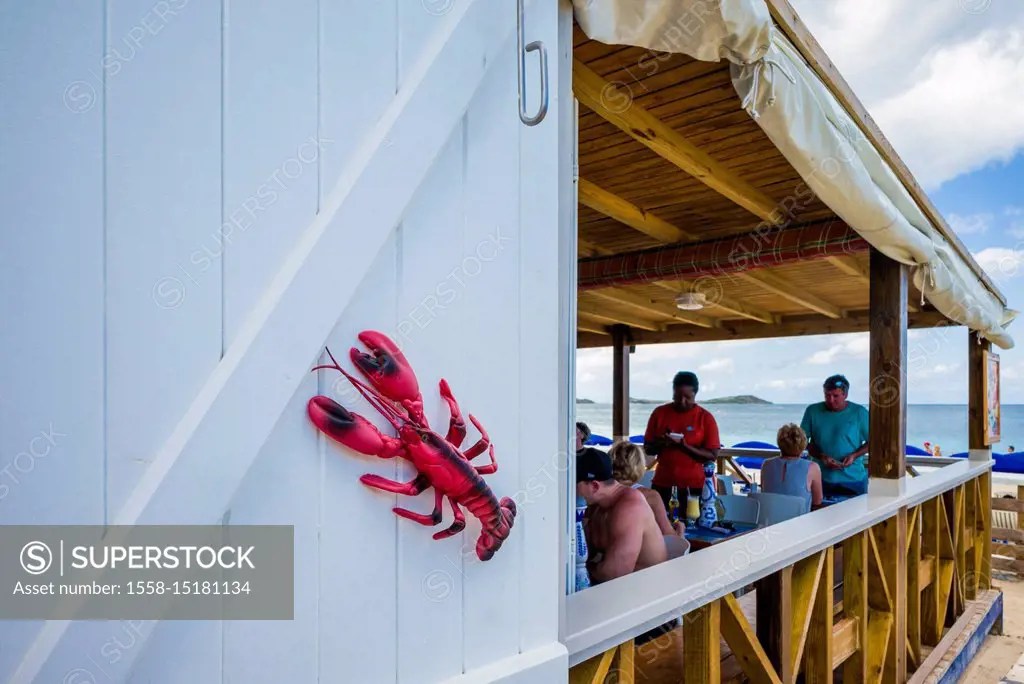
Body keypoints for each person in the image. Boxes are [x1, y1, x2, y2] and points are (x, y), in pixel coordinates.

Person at [577, 448, 667, 584]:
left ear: (594, 486)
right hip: (619, 589)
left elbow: (614, 574)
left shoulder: (630, 507)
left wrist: (581, 570)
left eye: (575, 484)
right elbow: (584, 553)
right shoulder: (595, 506)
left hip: (646, 592)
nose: (571, 490)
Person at [643, 371, 722, 512]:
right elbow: (648, 448)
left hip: (695, 486)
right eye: (677, 396)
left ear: (695, 395)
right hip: (663, 483)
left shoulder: (705, 418)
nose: (682, 401)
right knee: (660, 528)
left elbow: (712, 455)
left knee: (693, 526)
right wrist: (664, 443)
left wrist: (684, 446)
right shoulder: (659, 413)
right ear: (673, 392)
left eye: (687, 397)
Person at [801, 374, 869, 497]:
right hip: (820, 479)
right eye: (827, 395)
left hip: (853, 480)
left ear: (845, 395)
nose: (831, 400)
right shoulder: (812, 411)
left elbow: (874, 442)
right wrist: (822, 456)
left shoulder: (859, 413)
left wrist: (854, 455)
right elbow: (802, 441)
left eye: (835, 396)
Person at [608, 441, 686, 539]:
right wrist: (681, 530)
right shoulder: (650, 496)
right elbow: (669, 536)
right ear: (639, 466)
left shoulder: (600, 492)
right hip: (642, 552)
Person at [761, 424, 823, 511]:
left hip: (770, 522)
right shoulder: (812, 467)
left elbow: (765, 493)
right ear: (803, 445)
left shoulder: (766, 465)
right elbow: (817, 502)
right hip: (799, 522)